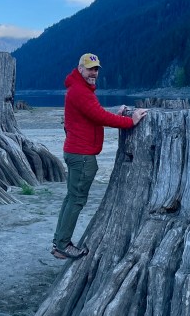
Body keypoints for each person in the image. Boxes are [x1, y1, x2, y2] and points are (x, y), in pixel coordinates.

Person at [52, 52, 148, 260]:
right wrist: (130, 121)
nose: (93, 73)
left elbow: (93, 113)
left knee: (71, 198)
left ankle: (59, 242)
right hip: (82, 156)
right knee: (76, 200)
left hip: (77, 153)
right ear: (80, 69)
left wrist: (117, 112)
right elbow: (99, 116)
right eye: (89, 68)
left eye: (96, 69)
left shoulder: (80, 90)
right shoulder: (80, 92)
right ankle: (63, 245)